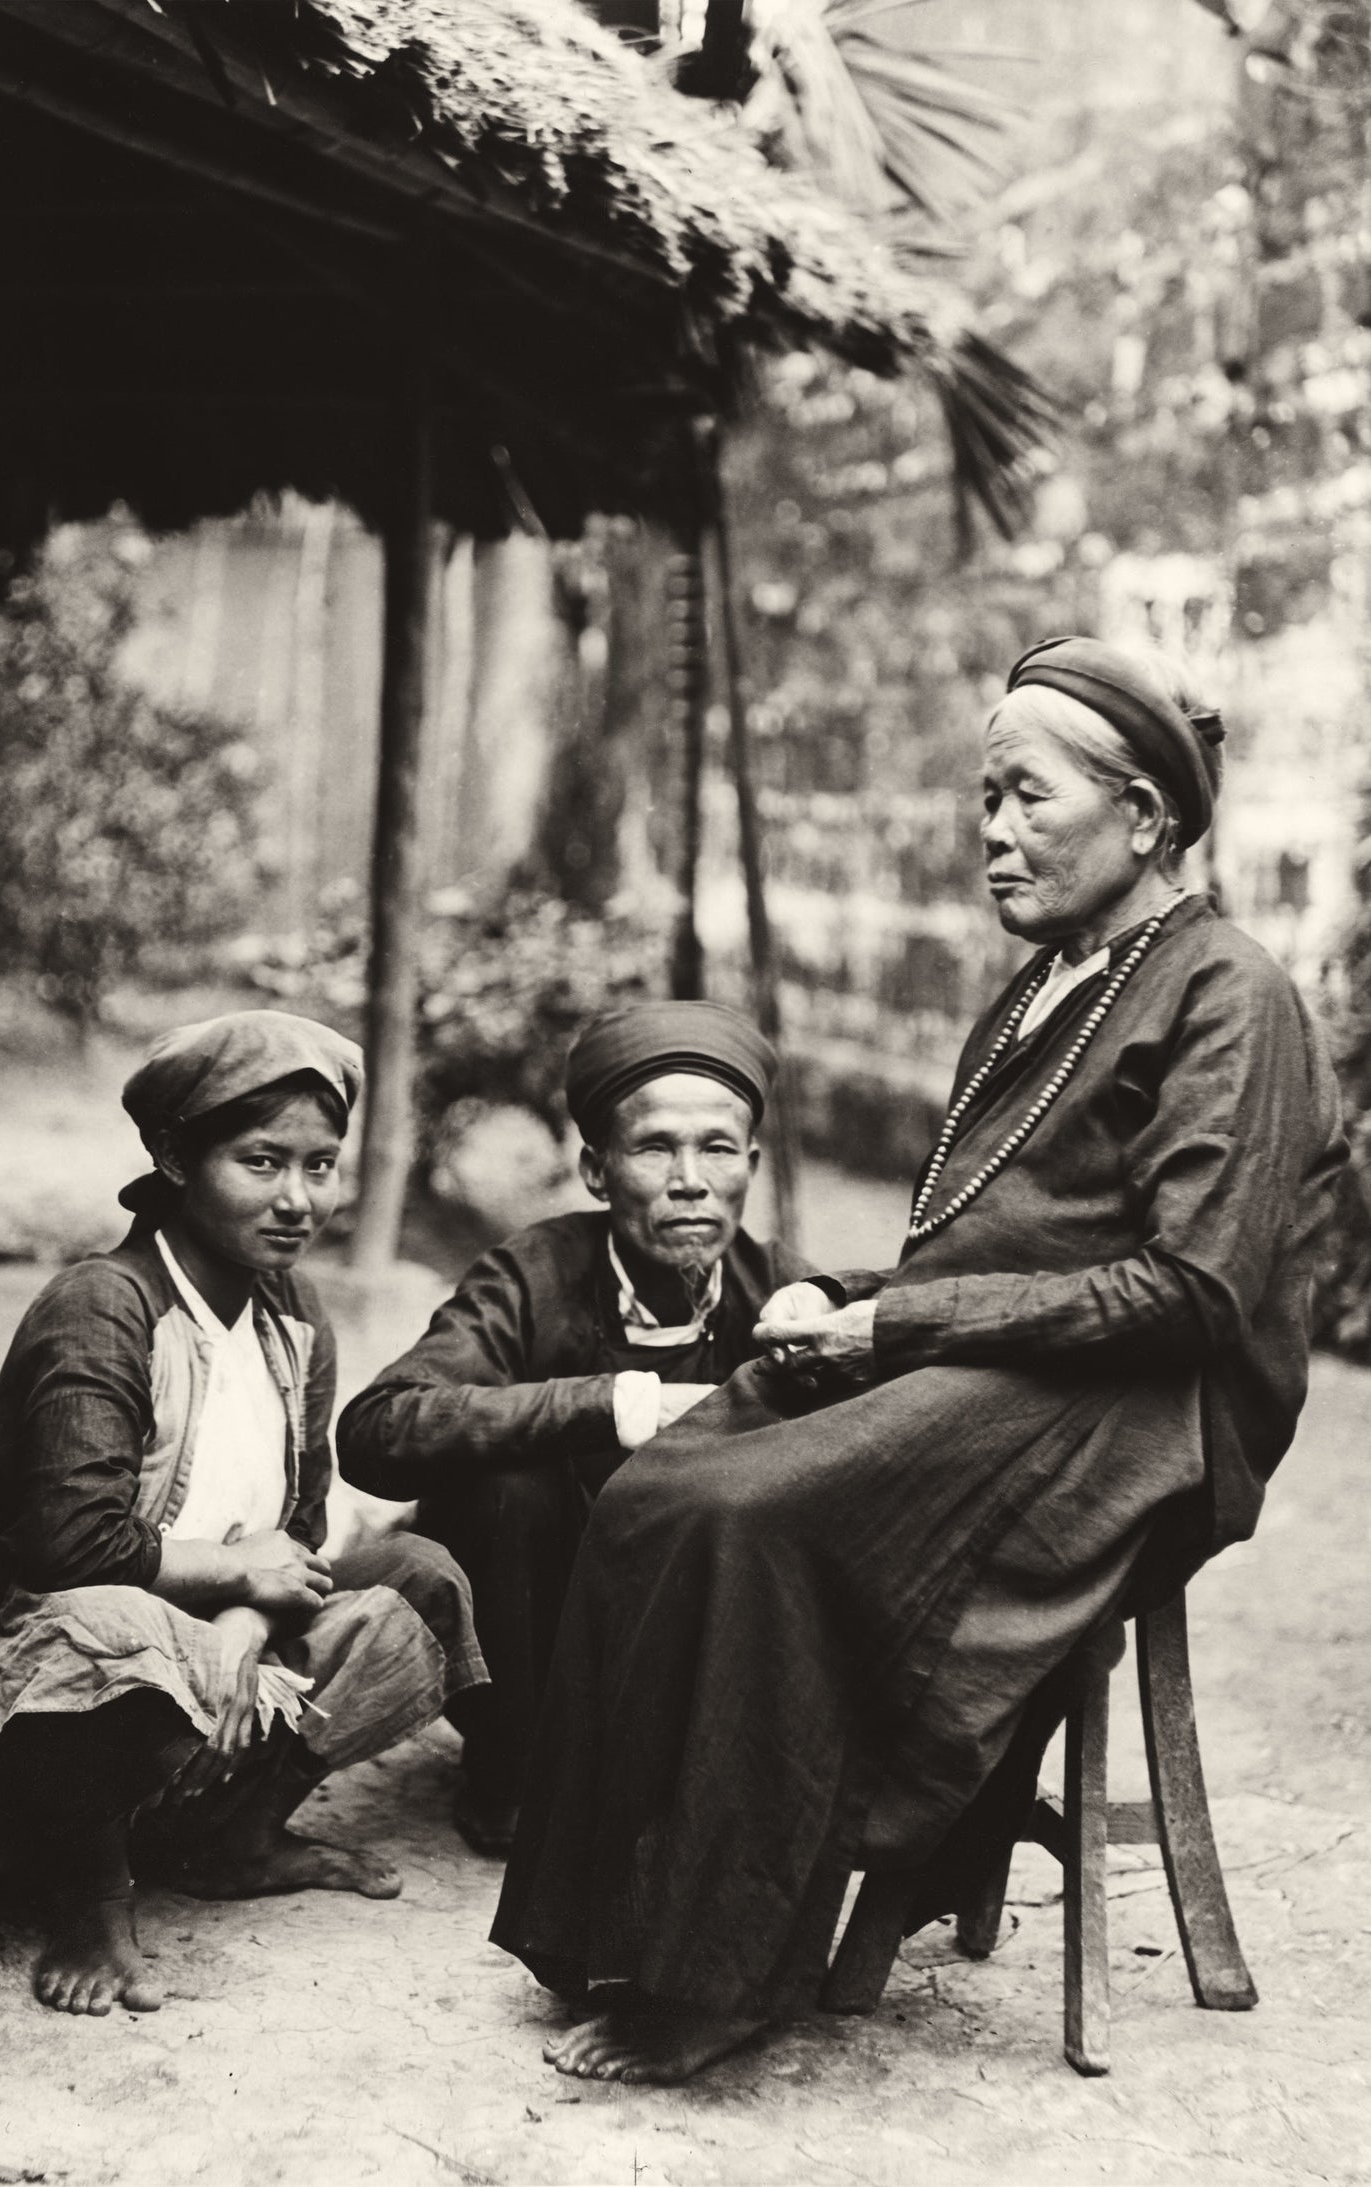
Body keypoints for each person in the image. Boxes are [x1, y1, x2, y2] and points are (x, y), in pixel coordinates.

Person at [491, 636, 1347, 2084]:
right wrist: (854, 1294)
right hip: (1020, 1364)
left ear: (1143, 818)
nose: (993, 833)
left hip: (1144, 1413)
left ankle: (720, 1977)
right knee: (664, 1481)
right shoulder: (1033, 991)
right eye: (983, 800)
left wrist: (898, 1324)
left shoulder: (1229, 993)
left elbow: (1193, 1289)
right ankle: (614, 1926)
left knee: (748, 1515)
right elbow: (993, 1246)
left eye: (1026, 798)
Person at [0, 1010, 487, 2018]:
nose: (298, 1199)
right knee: (114, 1624)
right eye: (261, 1162)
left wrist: (250, 1619)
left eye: (320, 1165)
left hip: (199, 1678)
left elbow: (295, 1530)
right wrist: (231, 1579)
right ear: (174, 1155)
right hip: (12, 1748)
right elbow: (67, 1549)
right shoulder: (102, 1307)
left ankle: (234, 1835)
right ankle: (90, 1895)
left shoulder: (291, 1314)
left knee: (417, 1576)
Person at [337, 1000, 818, 1854]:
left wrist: (833, 1310)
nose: (689, 1180)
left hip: (685, 1631)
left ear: (749, 1163)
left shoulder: (777, 1288)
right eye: (654, 1147)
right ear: (598, 1172)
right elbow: (379, 1428)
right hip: (538, 1639)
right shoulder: (532, 1274)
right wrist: (610, 1404)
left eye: (716, 1148)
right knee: (507, 1480)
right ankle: (513, 1778)